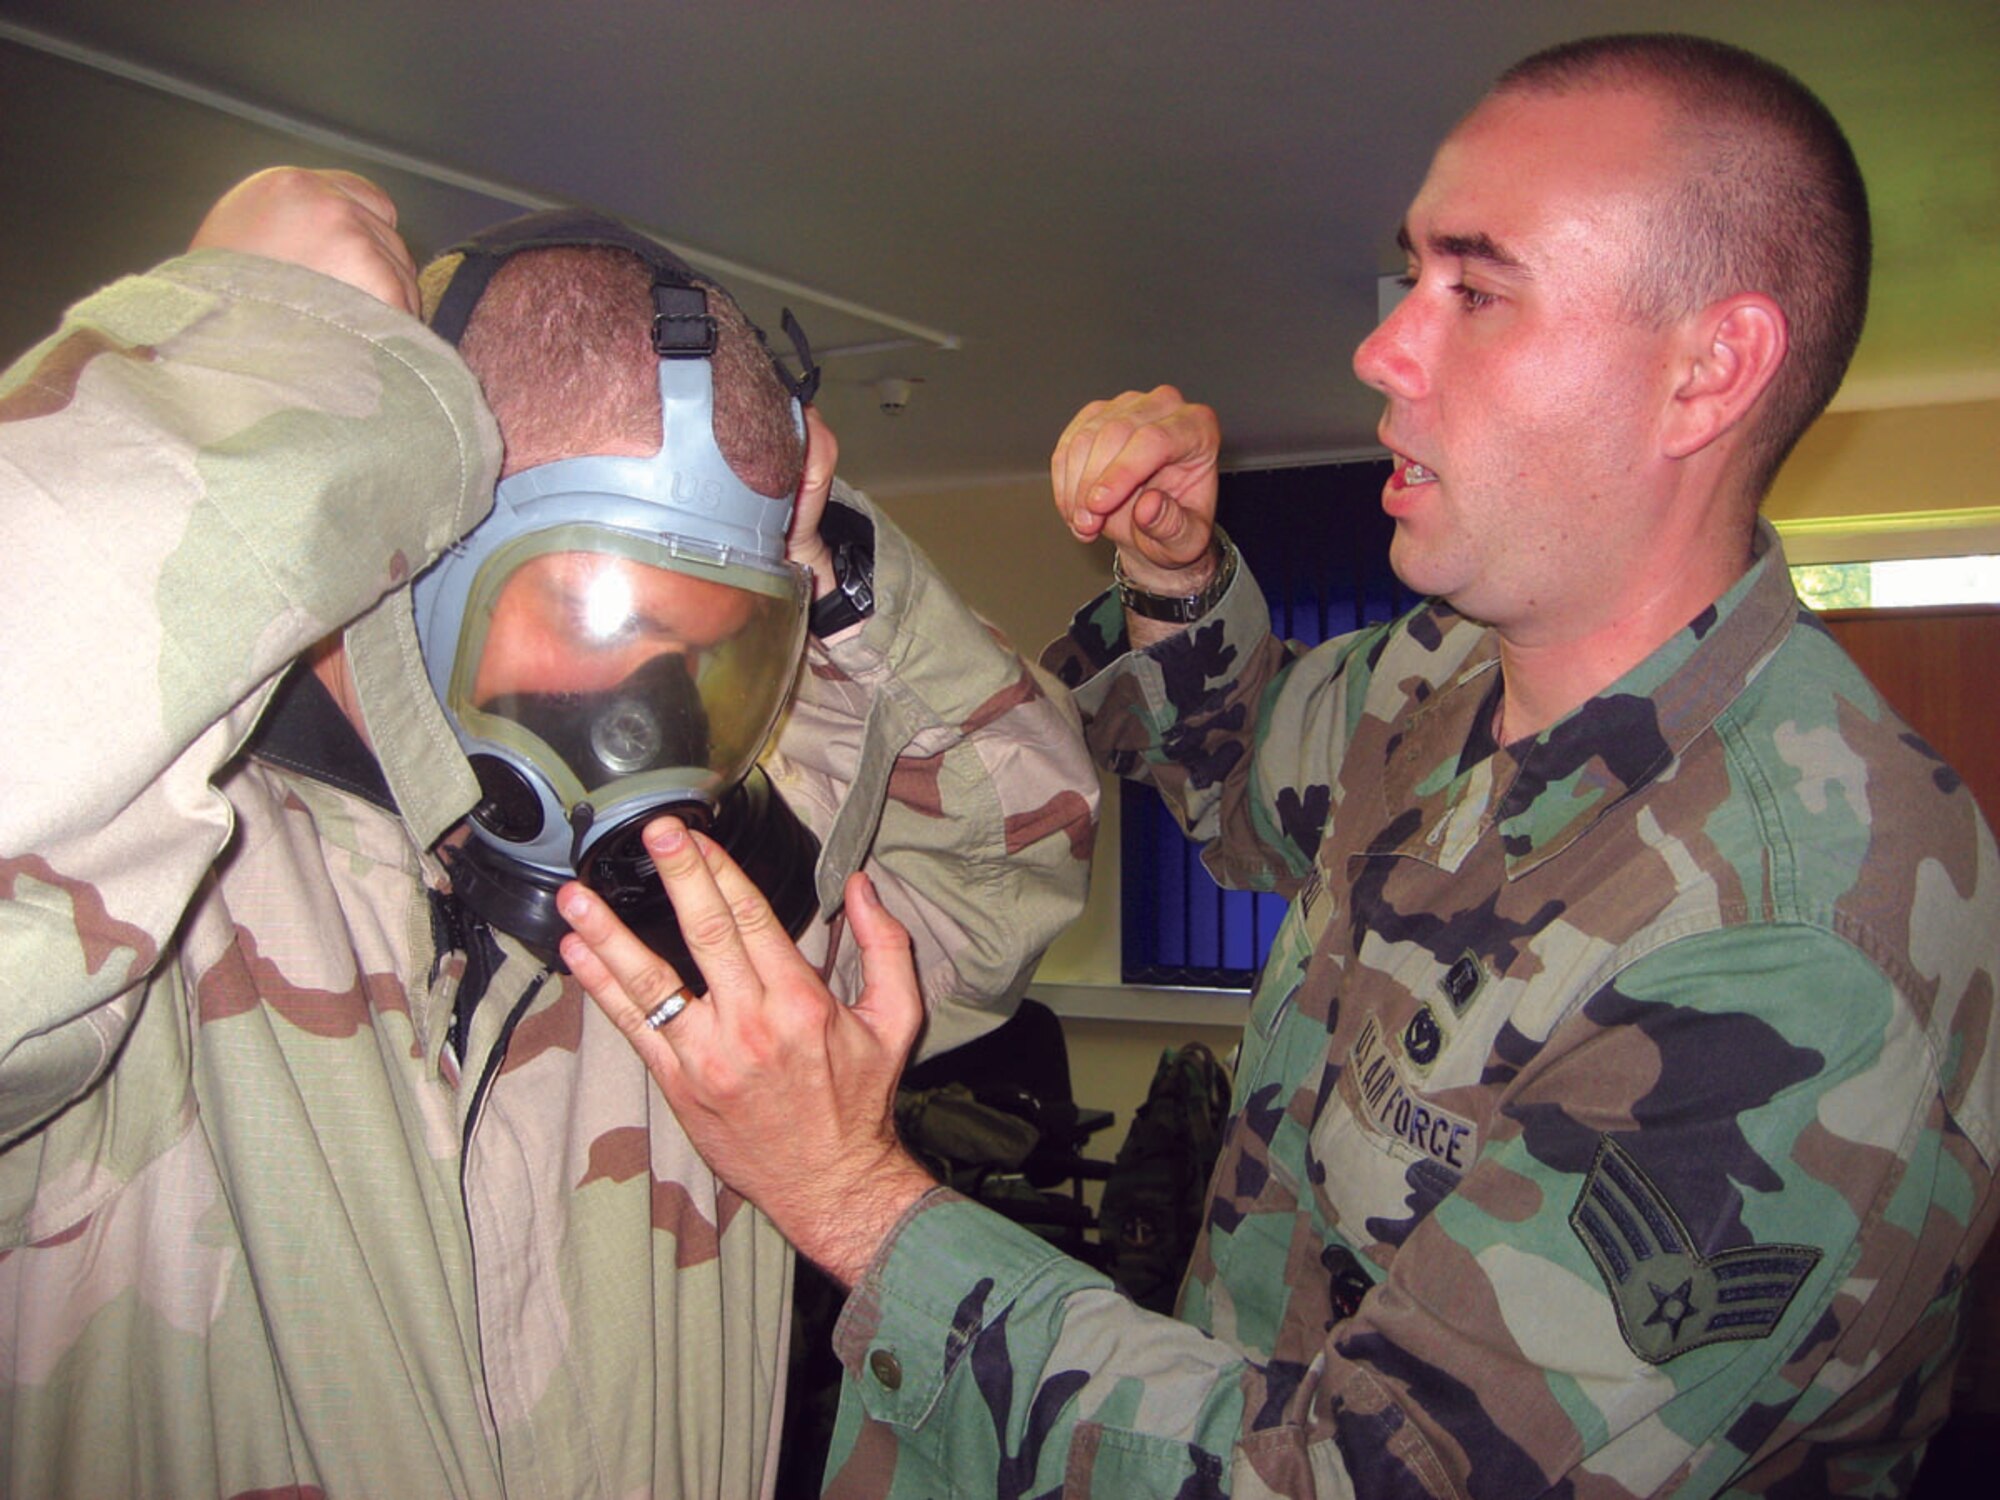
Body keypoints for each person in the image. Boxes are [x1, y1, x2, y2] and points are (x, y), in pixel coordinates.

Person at [558, 32, 2000, 1497]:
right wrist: (1171, 575)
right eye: (1412, 275)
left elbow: (1359, 1476)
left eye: (1476, 287)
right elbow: (1243, 778)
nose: (1382, 347)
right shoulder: (1446, 675)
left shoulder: (1803, 934)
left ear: (1709, 373)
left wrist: (852, 1197)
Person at [0, 166, 1096, 1498]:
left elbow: (1015, 851)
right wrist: (233, 379)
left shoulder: (700, 954)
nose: (650, 729)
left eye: (708, 651)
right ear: (429, 554)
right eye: (610, 616)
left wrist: (839, 562)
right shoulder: (162, 877)